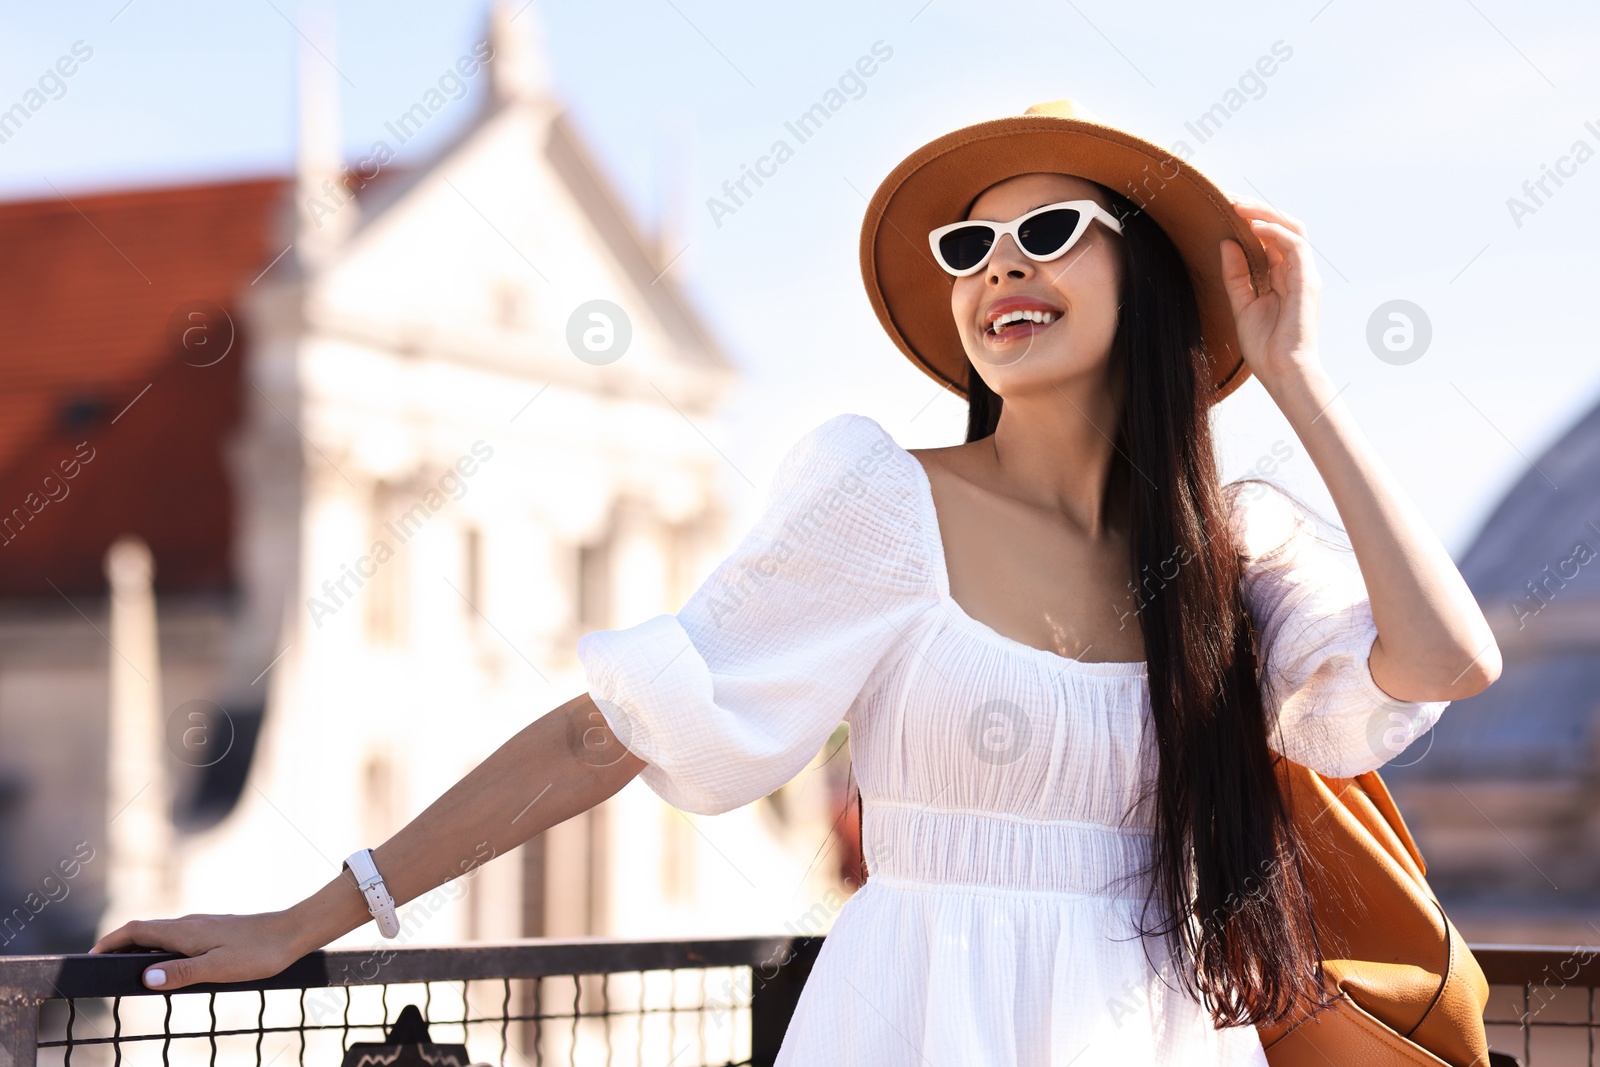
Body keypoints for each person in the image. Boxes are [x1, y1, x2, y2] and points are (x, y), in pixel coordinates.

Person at [93, 99, 1501, 1064]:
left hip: (1155, 1029)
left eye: (1047, 232)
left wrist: (1296, 374)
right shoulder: (879, 498)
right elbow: (612, 732)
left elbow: (1447, 663)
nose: (997, 266)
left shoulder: (1232, 553)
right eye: (967, 249)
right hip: (911, 1017)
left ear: (1148, 282)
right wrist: (307, 917)